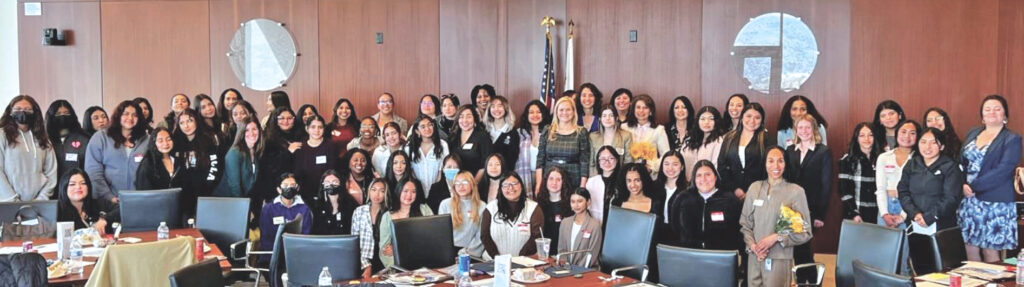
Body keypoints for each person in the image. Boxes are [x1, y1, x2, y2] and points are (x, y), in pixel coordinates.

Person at [958, 95, 1021, 263]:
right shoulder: (973, 132)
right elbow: (961, 162)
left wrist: (973, 186)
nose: (992, 112)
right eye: (987, 109)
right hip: (969, 201)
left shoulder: (1012, 138)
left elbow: (1004, 169)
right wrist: (962, 184)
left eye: (997, 108)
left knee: (990, 253)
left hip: (995, 202)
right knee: (970, 249)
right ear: (982, 115)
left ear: (1005, 115)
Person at [740, 146, 813, 287]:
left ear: (786, 164)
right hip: (755, 257)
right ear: (764, 163)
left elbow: (805, 232)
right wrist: (753, 246)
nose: (776, 166)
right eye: (771, 161)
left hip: (780, 259)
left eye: (780, 161)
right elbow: (745, 225)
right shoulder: (754, 188)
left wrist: (776, 237)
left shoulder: (796, 192)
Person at [782, 114, 832, 283]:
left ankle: (809, 282)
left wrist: (820, 215)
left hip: (811, 209)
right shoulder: (790, 151)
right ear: (796, 130)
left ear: (814, 130)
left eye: (807, 127)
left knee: (803, 249)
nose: (804, 131)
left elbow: (826, 186)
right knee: (796, 250)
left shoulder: (823, 152)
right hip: (791, 209)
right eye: (800, 127)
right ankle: (805, 281)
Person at [898, 128, 963, 230]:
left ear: (941, 146)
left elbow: (951, 198)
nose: (927, 147)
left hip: (942, 223)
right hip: (914, 221)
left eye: (933, 143)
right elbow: (903, 191)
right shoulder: (912, 164)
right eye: (923, 142)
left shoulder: (950, 166)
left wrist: (930, 217)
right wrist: (914, 213)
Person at [669, 160, 742, 251]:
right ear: (694, 179)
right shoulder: (683, 198)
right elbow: (675, 228)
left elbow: (738, 231)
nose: (703, 179)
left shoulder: (730, 200)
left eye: (707, 174)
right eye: (698, 175)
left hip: (720, 256)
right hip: (689, 255)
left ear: (715, 177)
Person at [85, 100, 149, 203]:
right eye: (126, 114)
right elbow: (93, 172)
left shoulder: (147, 140)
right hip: (107, 201)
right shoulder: (100, 138)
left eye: (135, 115)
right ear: (118, 116)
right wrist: (109, 196)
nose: (130, 118)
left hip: (140, 200)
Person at [611, 163, 664, 279]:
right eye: (629, 181)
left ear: (644, 180)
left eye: (637, 180)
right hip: (621, 257)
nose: (633, 185)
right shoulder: (617, 203)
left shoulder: (655, 203)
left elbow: (658, 236)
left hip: (647, 260)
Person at [0, 95, 57, 201]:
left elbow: (51, 171)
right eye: (18, 109)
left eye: (27, 109)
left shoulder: (42, 138)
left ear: (35, 112)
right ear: (10, 112)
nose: (22, 112)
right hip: (8, 202)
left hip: (39, 204)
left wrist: (41, 199)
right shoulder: (2, 135)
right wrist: (12, 200)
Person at [170, 108, 221, 219]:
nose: (186, 126)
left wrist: (207, 187)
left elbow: (215, 166)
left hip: (205, 195)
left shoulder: (208, 141)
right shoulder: (175, 143)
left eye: (190, 121)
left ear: (197, 121)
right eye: (182, 123)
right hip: (181, 197)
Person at [480, 172, 544, 259]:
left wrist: (520, 259)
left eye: (514, 183)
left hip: (525, 262)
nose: (510, 188)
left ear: (521, 185)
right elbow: (485, 236)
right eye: (505, 185)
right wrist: (498, 258)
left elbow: (537, 236)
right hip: (493, 261)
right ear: (500, 188)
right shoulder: (491, 208)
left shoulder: (533, 208)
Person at [718, 103, 772, 200]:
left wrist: (753, 190)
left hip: (759, 192)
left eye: (757, 118)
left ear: (762, 120)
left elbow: (769, 168)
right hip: (731, 193)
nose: (752, 121)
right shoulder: (730, 137)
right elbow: (721, 165)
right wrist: (735, 189)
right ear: (742, 117)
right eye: (748, 116)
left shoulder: (766, 138)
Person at [537, 97, 591, 191]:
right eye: (561, 110)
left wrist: (582, 187)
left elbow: (584, 161)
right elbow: (540, 159)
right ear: (556, 112)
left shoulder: (581, 132)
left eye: (568, 109)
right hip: (550, 178)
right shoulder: (548, 130)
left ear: (574, 112)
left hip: (573, 178)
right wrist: (539, 183)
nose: (564, 113)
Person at [378, 178, 433, 268]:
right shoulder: (387, 216)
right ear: (399, 191)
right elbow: (385, 251)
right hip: (398, 268)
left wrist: (398, 249)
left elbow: (432, 240)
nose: (409, 195)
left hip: (424, 265)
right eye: (405, 191)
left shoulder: (424, 210)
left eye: (413, 192)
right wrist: (397, 270)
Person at [258, 173, 312, 263]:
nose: (289, 188)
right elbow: (265, 236)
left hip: (296, 255)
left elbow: (305, 235)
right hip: (273, 255)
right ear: (279, 189)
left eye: (292, 185)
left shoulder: (304, 209)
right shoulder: (268, 209)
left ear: (297, 188)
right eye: (285, 185)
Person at [875, 120, 920, 228]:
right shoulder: (884, 157)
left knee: (906, 244)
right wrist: (884, 214)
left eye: (912, 133)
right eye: (903, 132)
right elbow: (880, 189)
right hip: (886, 205)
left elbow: (917, 192)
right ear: (897, 134)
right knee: (883, 244)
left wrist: (903, 216)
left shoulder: (920, 160)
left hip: (910, 208)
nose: (907, 136)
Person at [838, 123, 881, 224]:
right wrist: (853, 213)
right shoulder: (848, 160)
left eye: (870, 135)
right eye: (862, 135)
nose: (867, 139)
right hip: (857, 213)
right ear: (856, 138)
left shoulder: (882, 158)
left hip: (879, 214)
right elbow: (844, 191)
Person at [438, 171, 487, 257]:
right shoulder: (445, 204)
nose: (461, 186)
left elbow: (481, 235)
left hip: (470, 253)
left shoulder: (482, 206)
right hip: (448, 251)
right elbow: (441, 233)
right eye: (457, 183)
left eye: (465, 182)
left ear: (472, 184)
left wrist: (466, 253)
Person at [57, 168, 119, 234]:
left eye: (83, 183)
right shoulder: (57, 210)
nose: (78, 187)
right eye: (72, 184)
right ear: (64, 188)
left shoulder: (98, 204)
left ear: (88, 186)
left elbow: (121, 209)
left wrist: (105, 219)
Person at [293, 115, 336, 204]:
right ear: (307, 129)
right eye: (313, 127)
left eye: (320, 127)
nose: (317, 130)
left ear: (324, 129)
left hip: (327, 193)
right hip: (305, 195)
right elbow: (297, 173)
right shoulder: (300, 148)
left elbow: (334, 170)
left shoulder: (331, 146)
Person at [46, 100, 90, 185]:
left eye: (66, 113)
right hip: (51, 189)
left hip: (77, 187)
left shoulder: (84, 138)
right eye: (58, 114)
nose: (62, 116)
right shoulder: (45, 140)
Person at [621, 94, 669, 173]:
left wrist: (652, 167)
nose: (641, 111)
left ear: (651, 111)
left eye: (645, 108)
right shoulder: (624, 128)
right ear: (633, 110)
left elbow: (666, 154)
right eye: (638, 107)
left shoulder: (659, 130)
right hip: (628, 173)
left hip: (650, 174)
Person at [215, 117, 261, 199]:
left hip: (242, 201)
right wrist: (243, 208)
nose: (251, 133)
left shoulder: (255, 151)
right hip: (227, 201)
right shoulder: (234, 153)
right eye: (247, 130)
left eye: (254, 129)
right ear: (241, 133)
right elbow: (234, 187)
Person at [352, 179, 390, 277]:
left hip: (385, 261)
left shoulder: (389, 213)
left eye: (382, 191)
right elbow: (354, 243)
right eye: (374, 190)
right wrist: (366, 266)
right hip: (364, 261)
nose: (377, 194)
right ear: (369, 191)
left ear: (386, 194)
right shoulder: (359, 211)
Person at [557, 188, 603, 267]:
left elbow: (592, 253)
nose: (576, 205)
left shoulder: (594, 225)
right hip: (566, 269)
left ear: (588, 202)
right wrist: (565, 266)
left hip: (586, 271)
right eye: (573, 202)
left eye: (580, 201)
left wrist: (576, 269)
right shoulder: (565, 222)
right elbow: (561, 250)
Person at [514, 100, 551, 196]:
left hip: (545, 175)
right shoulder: (519, 134)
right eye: (531, 112)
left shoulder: (550, 133)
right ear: (526, 115)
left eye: (538, 112)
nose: (535, 115)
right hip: (524, 174)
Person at [680, 106, 726, 180]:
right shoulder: (688, 139)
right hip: (685, 183)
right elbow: (680, 161)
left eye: (711, 119)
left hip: (705, 184)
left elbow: (716, 167)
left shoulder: (719, 141)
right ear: (698, 121)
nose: (706, 122)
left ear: (716, 122)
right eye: (703, 119)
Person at [406, 116, 449, 194]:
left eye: (430, 125)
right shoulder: (409, 147)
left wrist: (436, 188)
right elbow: (409, 171)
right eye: (423, 127)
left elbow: (445, 169)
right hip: (416, 191)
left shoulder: (443, 145)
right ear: (417, 131)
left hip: (438, 189)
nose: (427, 128)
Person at [448, 105, 493, 179]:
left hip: (477, 182)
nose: (465, 120)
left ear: (475, 119)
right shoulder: (453, 137)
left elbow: (485, 164)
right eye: (461, 117)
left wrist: (473, 184)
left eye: (468, 117)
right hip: (457, 183)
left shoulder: (482, 136)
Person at [588, 104, 633, 176]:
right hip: (598, 176)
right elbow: (591, 163)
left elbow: (628, 162)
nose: (607, 118)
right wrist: (595, 179)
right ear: (600, 119)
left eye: (611, 115)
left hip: (619, 177)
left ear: (616, 118)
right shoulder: (593, 137)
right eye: (604, 116)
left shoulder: (626, 136)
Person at [312, 170, 360, 235]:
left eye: (335, 182)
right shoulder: (317, 205)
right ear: (322, 185)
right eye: (327, 182)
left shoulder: (350, 204)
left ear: (341, 183)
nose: (331, 185)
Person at [655, 151, 687, 244]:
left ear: (682, 167)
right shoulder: (655, 186)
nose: (670, 168)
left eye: (675, 164)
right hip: (656, 235)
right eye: (666, 164)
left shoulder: (688, 189)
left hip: (679, 237)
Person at [537, 166, 573, 248]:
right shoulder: (539, 203)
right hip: (544, 249)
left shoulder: (571, 204)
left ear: (563, 182)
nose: (554, 183)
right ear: (546, 181)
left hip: (564, 249)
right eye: (551, 179)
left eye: (558, 180)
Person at [586, 146, 621, 223]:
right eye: (603, 159)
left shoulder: (622, 181)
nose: (607, 162)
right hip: (595, 223)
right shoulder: (591, 182)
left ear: (617, 160)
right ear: (598, 162)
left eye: (611, 158)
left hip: (616, 223)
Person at [485, 96, 520, 164]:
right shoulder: (483, 129)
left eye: (500, 106)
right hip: (483, 172)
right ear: (489, 110)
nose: (496, 109)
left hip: (504, 172)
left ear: (506, 109)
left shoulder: (512, 132)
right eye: (493, 106)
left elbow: (512, 159)